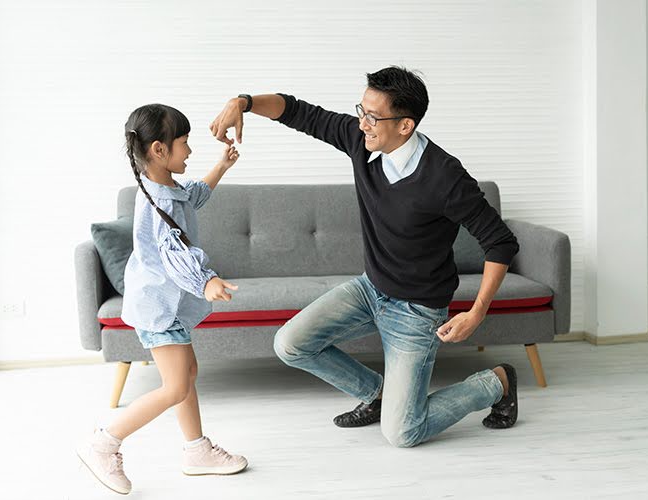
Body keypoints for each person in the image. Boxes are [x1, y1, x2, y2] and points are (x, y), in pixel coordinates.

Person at [209, 66, 520, 448]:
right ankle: (377, 394)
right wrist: (243, 102)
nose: (362, 123)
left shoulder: (445, 177)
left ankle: (496, 382)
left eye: (373, 117)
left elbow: (500, 241)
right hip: (370, 289)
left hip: (417, 310)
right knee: (289, 343)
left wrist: (477, 311)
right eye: (361, 110)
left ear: (405, 125)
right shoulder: (362, 140)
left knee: (403, 433)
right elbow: (298, 112)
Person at [78, 104, 247, 495]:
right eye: (184, 144)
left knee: (186, 376)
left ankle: (196, 450)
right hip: (158, 308)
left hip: (163, 304)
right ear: (158, 149)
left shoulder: (164, 188)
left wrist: (222, 166)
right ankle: (103, 442)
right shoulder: (163, 202)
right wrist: (206, 282)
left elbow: (195, 197)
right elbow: (175, 254)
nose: (189, 152)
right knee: (174, 386)